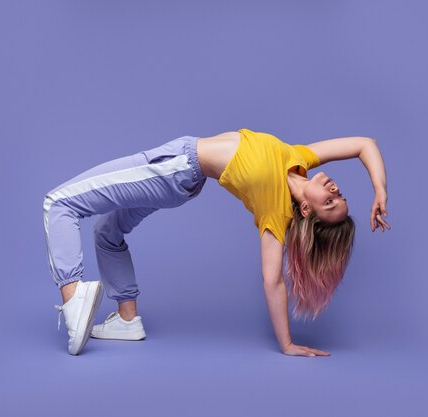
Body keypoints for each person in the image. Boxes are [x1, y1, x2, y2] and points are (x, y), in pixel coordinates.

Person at [43, 128, 390, 356]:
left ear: (304, 209)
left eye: (330, 203)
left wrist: (286, 344)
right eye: (339, 194)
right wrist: (379, 190)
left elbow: (273, 279)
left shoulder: (275, 207)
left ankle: (73, 298)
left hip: (175, 167)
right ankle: (127, 319)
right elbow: (364, 145)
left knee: (59, 203)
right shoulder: (298, 158)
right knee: (107, 232)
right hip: (182, 178)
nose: (334, 191)